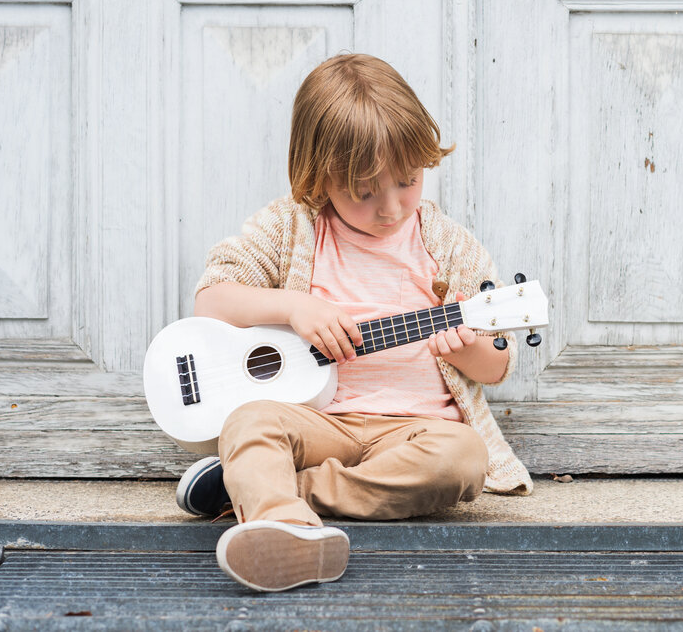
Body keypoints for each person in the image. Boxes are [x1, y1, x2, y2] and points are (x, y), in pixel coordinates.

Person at [174, 53, 533, 592]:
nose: (391, 206)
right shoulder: (292, 229)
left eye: (408, 181)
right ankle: (286, 530)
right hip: (317, 423)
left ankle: (278, 495)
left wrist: (466, 351)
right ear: (319, 178)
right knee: (249, 421)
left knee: (463, 458)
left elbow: (498, 360)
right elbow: (213, 300)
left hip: (411, 432)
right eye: (365, 192)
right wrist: (294, 308)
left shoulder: (448, 245)